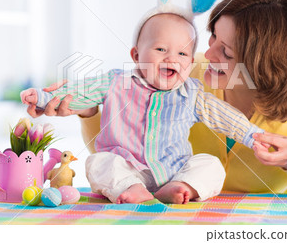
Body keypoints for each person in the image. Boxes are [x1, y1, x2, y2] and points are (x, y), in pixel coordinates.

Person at [35, 0, 287, 195]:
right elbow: (121, 154)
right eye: (211, 39)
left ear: (266, 67)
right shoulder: (181, 71)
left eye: (227, 53)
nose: (207, 56)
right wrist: (89, 111)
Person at [22, 12, 264, 204]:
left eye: (182, 53)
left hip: (175, 170)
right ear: (136, 55)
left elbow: (225, 116)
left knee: (210, 165)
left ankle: (183, 187)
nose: (171, 58)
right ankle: (130, 188)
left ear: (190, 63)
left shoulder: (192, 94)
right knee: (99, 162)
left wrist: (253, 136)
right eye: (160, 50)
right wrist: (43, 97)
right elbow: (80, 91)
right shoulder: (116, 82)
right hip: (126, 167)